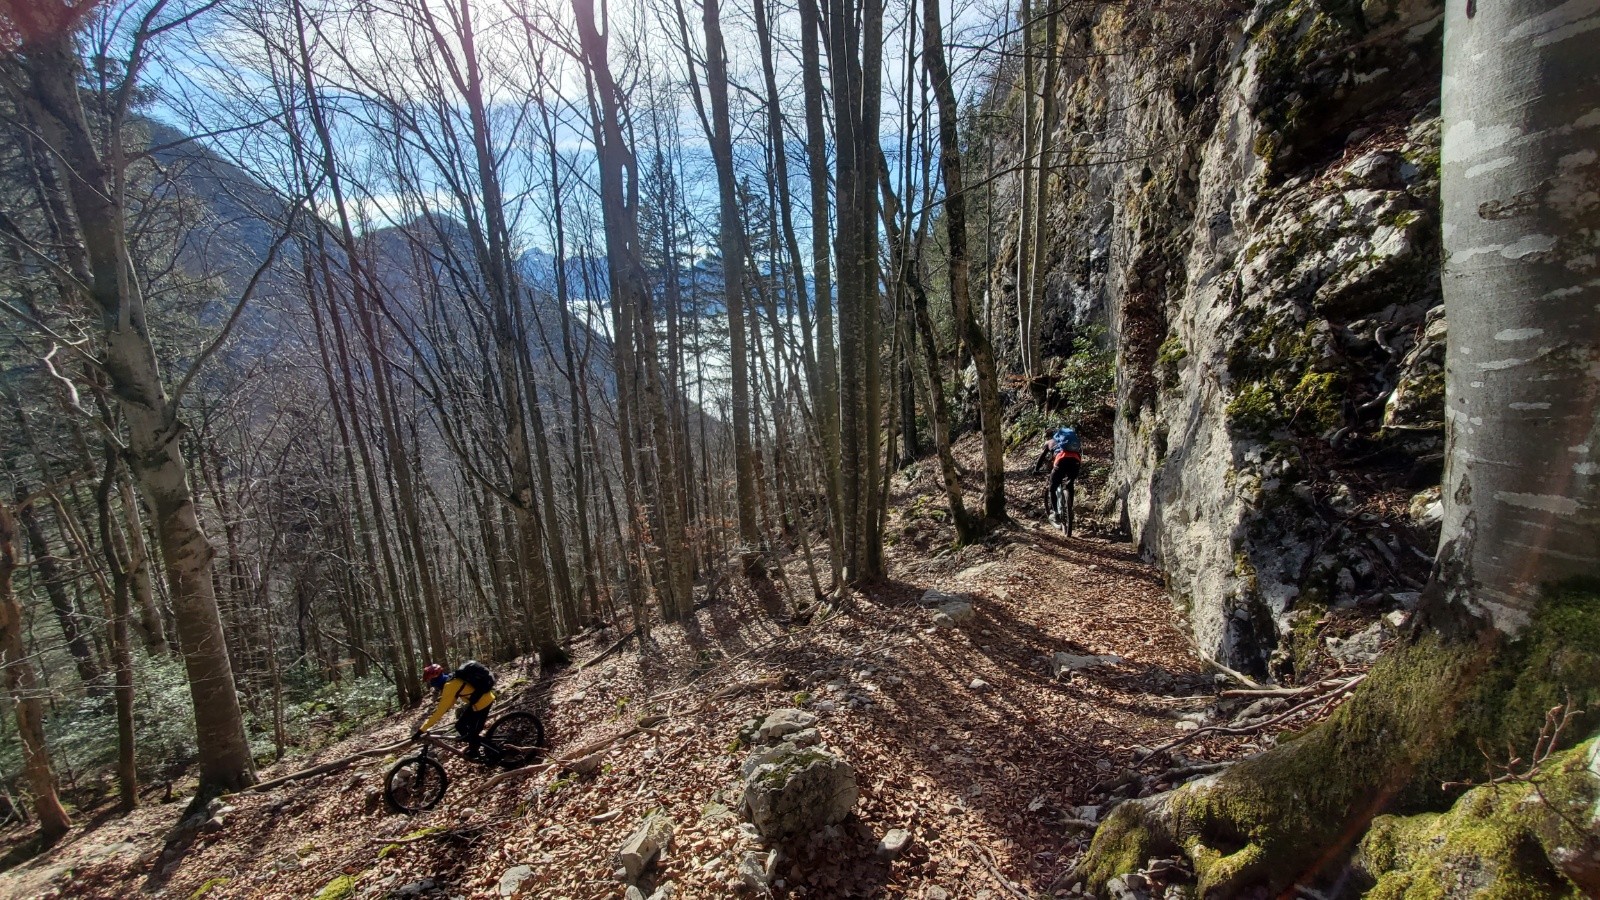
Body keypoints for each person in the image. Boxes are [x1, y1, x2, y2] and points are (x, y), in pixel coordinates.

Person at [413, 661, 497, 759]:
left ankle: (492, 753)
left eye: (430, 680)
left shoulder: (449, 686)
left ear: (435, 679)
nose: (431, 684)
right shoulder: (451, 679)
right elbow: (449, 704)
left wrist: (421, 730)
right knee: (460, 726)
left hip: (483, 703)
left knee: (472, 733)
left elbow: (440, 711)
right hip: (477, 703)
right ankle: (475, 748)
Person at [1031, 426, 1082, 523]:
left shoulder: (1050, 442)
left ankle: (1056, 513)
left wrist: (1036, 469)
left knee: (1052, 487)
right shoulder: (1069, 443)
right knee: (1069, 485)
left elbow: (1041, 458)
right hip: (1076, 462)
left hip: (1061, 462)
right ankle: (1070, 510)